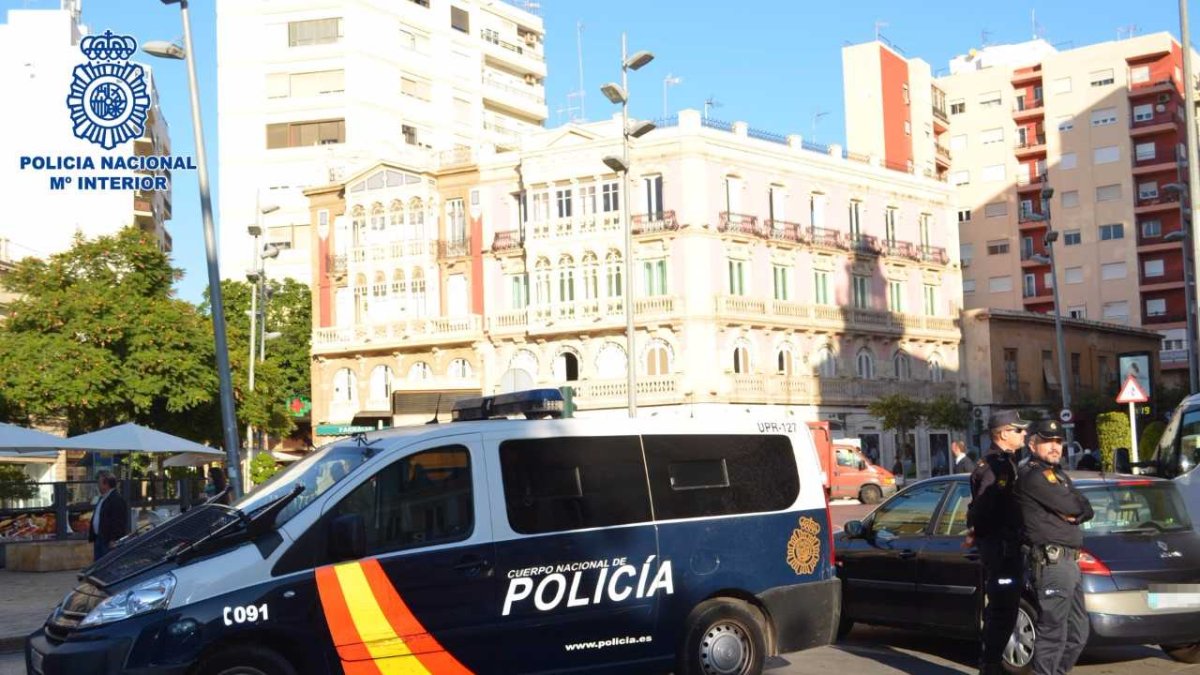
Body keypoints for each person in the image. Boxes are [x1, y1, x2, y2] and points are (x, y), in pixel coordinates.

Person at [1016, 420, 1095, 675]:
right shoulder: (1033, 475)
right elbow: (1073, 506)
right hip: (1052, 563)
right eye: (1047, 441)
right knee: (1053, 634)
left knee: (1078, 633)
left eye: (1058, 441)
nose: (1054, 447)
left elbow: (1084, 507)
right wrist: (1073, 510)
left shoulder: (1058, 474)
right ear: (1032, 444)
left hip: (1070, 562)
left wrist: (1075, 512)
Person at [967, 409, 1029, 674]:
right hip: (1001, 548)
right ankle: (990, 666)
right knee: (1002, 610)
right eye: (1019, 430)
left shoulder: (1007, 461)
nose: (1024, 433)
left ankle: (991, 663)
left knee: (1005, 610)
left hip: (1005, 545)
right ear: (1004, 433)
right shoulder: (996, 466)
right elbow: (981, 508)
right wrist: (984, 535)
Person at [88, 471, 129, 561]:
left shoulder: (116, 499)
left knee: (106, 563)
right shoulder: (103, 498)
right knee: (98, 565)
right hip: (99, 537)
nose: (98, 486)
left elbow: (119, 521)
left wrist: (113, 539)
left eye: (99, 483)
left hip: (108, 540)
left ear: (106, 484)